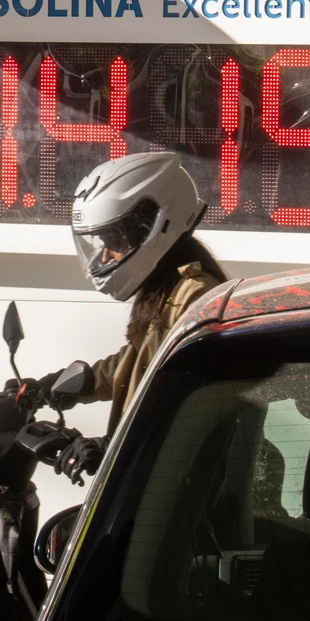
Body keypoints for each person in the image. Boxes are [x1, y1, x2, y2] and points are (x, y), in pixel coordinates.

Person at [63, 152, 227, 438]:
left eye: (113, 241)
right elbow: (141, 360)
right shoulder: (164, 287)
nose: (105, 254)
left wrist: (106, 448)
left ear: (154, 225)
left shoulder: (194, 294)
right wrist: (77, 383)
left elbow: (188, 400)